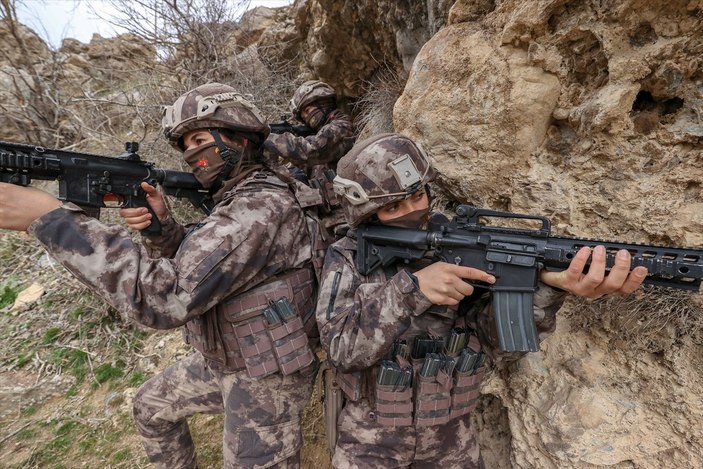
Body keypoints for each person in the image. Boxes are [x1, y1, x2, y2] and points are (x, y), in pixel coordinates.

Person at [0, 83, 324, 469]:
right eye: (185, 145)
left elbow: (164, 301)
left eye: (200, 139)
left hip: (267, 378)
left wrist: (53, 220)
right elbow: (217, 264)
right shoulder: (237, 201)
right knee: (150, 408)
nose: (191, 154)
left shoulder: (259, 207)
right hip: (228, 357)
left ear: (239, 137)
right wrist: (162, 229)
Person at [315, 133, 649, 468]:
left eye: (417, 195)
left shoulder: (456, 245)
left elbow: (499, 347)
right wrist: (411, 290)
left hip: (451, 439)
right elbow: (341, 350)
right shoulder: (348, 257)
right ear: (368, 216)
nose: (414, 210)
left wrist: (549, 287)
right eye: (393, 207)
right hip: (372, 441)